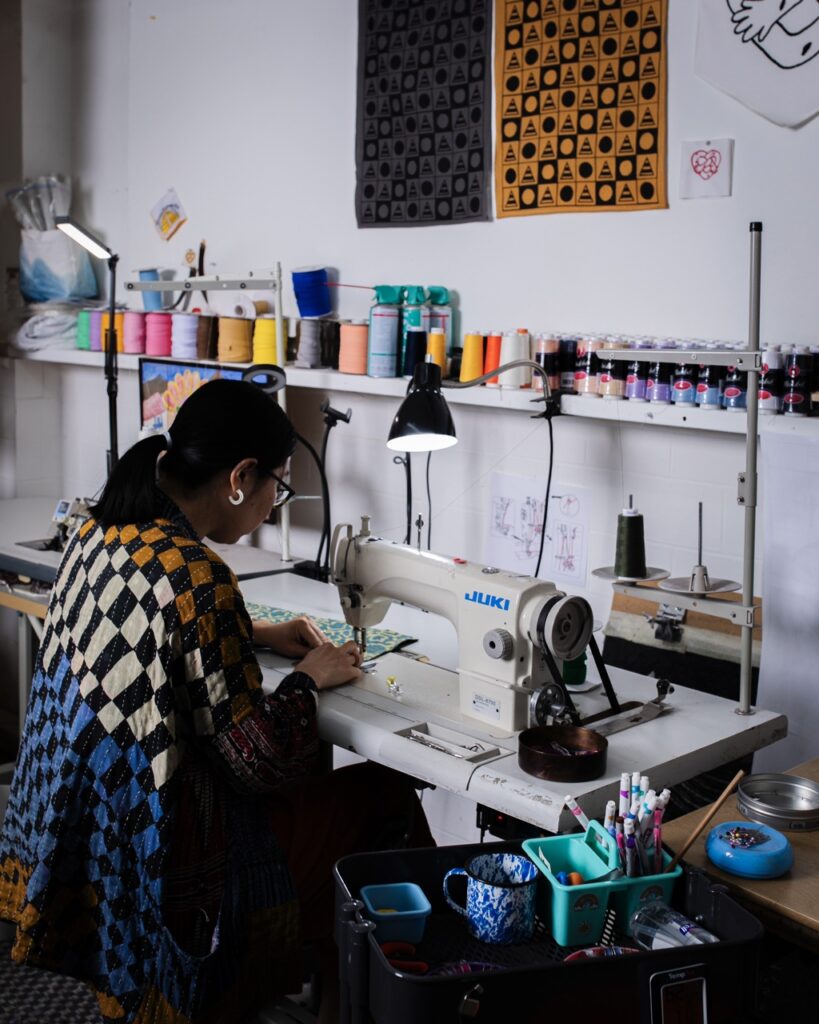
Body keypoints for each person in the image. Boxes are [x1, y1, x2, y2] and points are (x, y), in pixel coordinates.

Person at [0, 379, 433, 1024]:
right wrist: (308, 679)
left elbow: (146, 628)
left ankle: (296, 974)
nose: (272, 504)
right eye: (277, 488)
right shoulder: (199, 579)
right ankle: (376, 997)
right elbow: (258, 761)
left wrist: (254, 632)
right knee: (386, 797)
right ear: (240, 478)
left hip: (82, 837)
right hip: (164, 863)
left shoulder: (101, 532)